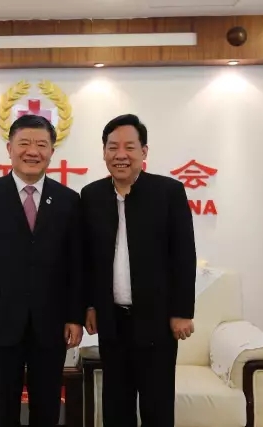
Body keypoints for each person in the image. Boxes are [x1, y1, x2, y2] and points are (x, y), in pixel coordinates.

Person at [0, 114, 84, 427]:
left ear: (52, 151)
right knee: (2, 406)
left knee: (47, 406)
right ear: (9, 148)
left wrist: (75, 316)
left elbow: (76, 264)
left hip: (52, 322)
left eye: (41, 144)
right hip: (1, 319)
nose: (33, 151)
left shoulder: (69, 200)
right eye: (24, 143)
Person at [81, 113, 196, 427]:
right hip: (112, 320)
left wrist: (182, 312)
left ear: (144, 151)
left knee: (157, 406)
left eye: (129, 147)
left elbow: (184, 256)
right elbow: (87, 259)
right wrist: (89, 305)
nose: (121, 155)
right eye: (113, 147)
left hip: (157, 320)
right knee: (116, 405)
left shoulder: (168, 193)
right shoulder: (91, 196)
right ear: (104, 152)